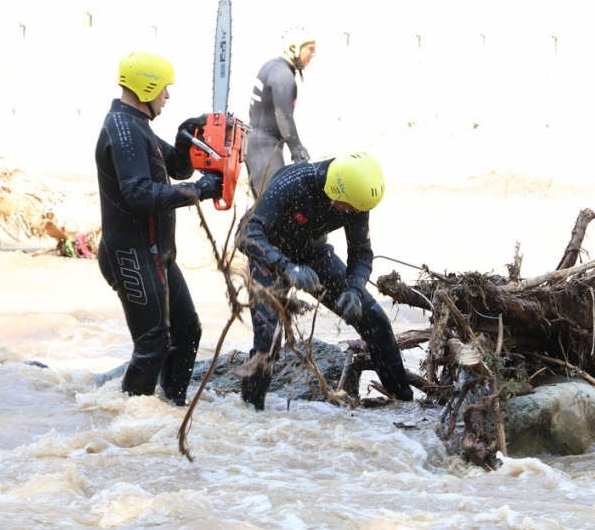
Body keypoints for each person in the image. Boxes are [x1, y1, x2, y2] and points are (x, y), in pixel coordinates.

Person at [235, 152, 414, 410]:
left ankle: (403, 402)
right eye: (351, 208)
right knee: (268, 340)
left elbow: (361, 252)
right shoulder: (293, 183)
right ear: (335, 192)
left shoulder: (356, 199)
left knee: (374, 318)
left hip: (313, 254)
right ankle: (252, 414)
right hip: (269, 256)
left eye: (359, 210)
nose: (355, 213)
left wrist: (354, 289)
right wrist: (286, 266)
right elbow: (246, 233)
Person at [95, 51, 224, 406]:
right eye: (164, 88)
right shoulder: (122, 129)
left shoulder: (137, 126)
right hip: (131, 254)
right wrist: (198, 191)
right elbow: (137, 194)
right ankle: (125, 429)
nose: (167, 95)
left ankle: (168, 412)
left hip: (157, 254)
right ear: (147, 86)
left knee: (187, 332)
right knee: (152, 343)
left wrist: (184, 143)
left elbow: (177, 170)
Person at [245, 27, 317, 196]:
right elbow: (283, 118)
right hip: (264, 148)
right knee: (275, 209)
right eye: (310, 48)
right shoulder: (283, 76)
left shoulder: (271, 66)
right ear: (294, 48)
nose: (314, 53)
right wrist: (298, 149)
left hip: (257, 145)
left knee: (266, 210)